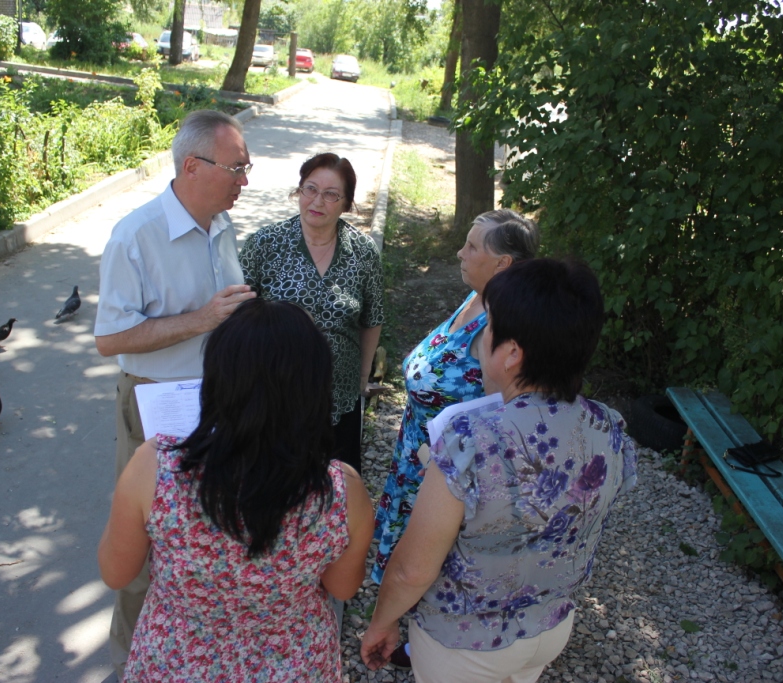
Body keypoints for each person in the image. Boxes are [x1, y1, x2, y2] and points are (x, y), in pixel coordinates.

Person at [360, 257, 638, 683]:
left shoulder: (469, 437)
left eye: (487, 330)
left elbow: (412, 569)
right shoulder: (609, 426)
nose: (481, 339)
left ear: (511, 354)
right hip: (550, 626)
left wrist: (381, 622)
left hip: (465, 643)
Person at [98, 299, 374, 682]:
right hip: (294, 666)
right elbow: (342, 588)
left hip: (176, 664)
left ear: (215, 379)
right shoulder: (342, 490)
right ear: (313, 388)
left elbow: (115, 572)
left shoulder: (155, 466)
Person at [94, 109, 257, 678]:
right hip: (156, 402)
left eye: (246, 167)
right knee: (145, 540)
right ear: (193, 165)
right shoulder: (135, 237)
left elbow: (222, 315)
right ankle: (131, 658)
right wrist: (203, 319)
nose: (245, 180)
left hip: (218, 402)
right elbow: (110, 337)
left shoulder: (221, 224)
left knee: (204, 536)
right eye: (237, 168)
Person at [372, 209, 539, 585]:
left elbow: (510, 414)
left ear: (503, 264)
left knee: (422, 577)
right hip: (415, 462)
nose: (459, 253)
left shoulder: (502, 329)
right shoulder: (476, 299)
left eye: (471, 246)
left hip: (444, 477)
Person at [239, 153, 384, 473]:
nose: (317, 201)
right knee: (274, 487)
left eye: (332, 194)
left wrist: (362, 377)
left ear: (346, 203)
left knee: (337, 491)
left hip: (340, 396)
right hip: (275, 395)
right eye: (310, 189)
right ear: (299, 191)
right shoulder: (264, 244)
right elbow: (240, 318)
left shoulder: (362, 252)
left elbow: (372, 318)